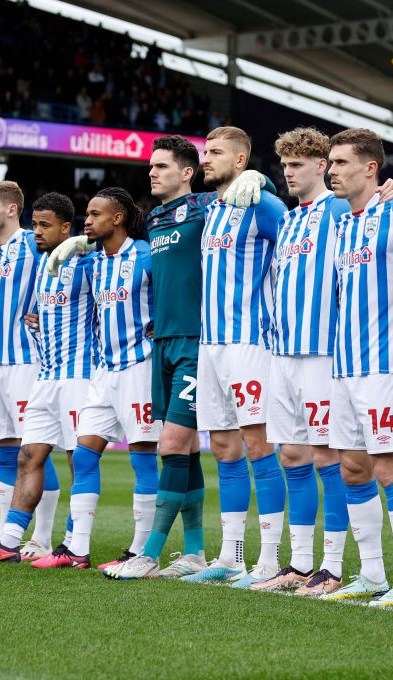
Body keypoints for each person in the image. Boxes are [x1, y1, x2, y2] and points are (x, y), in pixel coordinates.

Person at [99, 136, 269, 580]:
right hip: (164, 342)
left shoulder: (208, 209)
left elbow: (245, 203)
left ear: (188, 172)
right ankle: (194, 550)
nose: (152, 173)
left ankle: (150, 553)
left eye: (161, 166)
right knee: (189, 450)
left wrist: (257, 175)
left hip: (200, 342)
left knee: (171, 444)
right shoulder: (154, 218)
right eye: (150, 167)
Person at [318, 128, 393, 606]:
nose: (331, 171)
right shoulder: (344, 222)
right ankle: (373, 574)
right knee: (353, 469)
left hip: (385, 363)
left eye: (340, 163)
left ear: (369, 168)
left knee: (388, 468)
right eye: (330, 163)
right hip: (344, 364)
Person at [180, 127, 289, 587]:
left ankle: (271, 558)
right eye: (205, 152)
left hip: (250, 343)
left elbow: (295, 227)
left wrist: (264, 182)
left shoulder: (259, 204)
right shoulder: (215, 209)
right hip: (212, 346)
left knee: (259, 446)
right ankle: (232, 555)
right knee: (224, 448)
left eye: (216, 153)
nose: (206, 160)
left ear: (241, 160)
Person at [246, 127, 352, 596]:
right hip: (282, 355)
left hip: (322, 352)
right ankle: (300, 563)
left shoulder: (340, 213)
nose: (288, 172)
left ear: (322, 167)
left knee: (328, 455)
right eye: (284, 164)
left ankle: (332, 565)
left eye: (297, 165)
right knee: (291, 454)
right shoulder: (289, 220)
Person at [30, 188, 161, 570]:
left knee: (143, 459)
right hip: (104, 372)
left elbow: (180, 291)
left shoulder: (147, 256)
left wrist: (163, 327)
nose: (87, 221)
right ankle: (77, 549)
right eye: (85, 215)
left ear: (117, 218)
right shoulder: (94, 263)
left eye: (94, 214)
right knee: (84, 454)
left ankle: (141, 550)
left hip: (140, 367)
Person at [0, 193, 94, 564]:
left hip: (67, 374)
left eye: (44, 225)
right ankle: (8, 541)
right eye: (35, 225)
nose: (37, 231)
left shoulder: (84, 261)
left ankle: (69, 543)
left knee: (77, 459)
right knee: (27, 454)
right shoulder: (32, 261)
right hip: (41, 375)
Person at [0, 181, 40, 540]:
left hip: (24, 362)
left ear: (11, 209)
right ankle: (5, 533)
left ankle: (41, 537)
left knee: (33, 448)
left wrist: (46, 317)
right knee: (3, 448)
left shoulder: (33, 243)